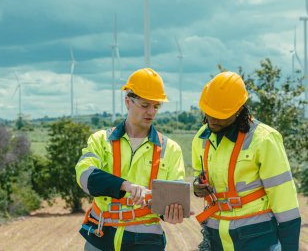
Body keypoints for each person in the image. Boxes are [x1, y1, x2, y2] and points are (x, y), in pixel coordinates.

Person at [75, 68, 186, 251]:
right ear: (128, 102)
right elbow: (85, 176)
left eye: (156, 106)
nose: (151, 112)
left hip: (146, 240)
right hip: (102, 236)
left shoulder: (171, 149)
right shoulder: (101, 140)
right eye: (144, 105)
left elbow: (173, 198)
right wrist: (125, 186)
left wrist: (174, 212)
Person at [192, 71, 301, 251]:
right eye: (209, 112)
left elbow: (285, 202)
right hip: (216, 234)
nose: (212, 119)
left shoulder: (264, 139)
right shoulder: (201, 138)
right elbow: (199, 175)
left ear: (239, 109)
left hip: (256, 236)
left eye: (220, 114)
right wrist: (197, 187)